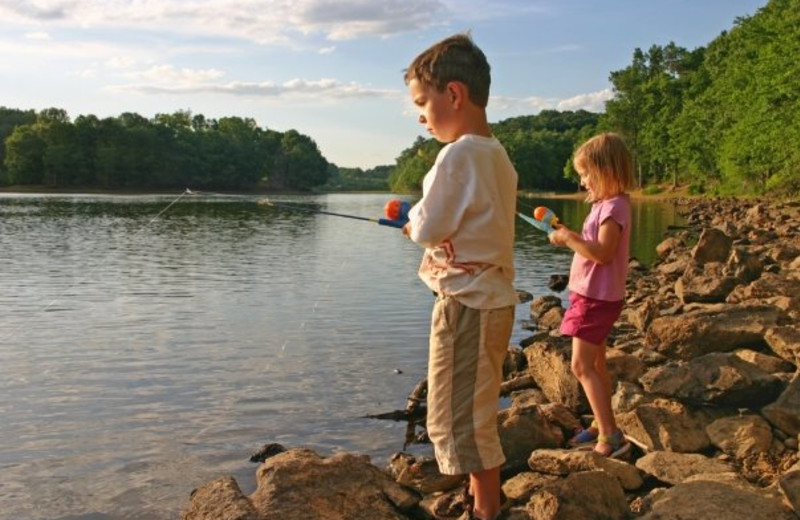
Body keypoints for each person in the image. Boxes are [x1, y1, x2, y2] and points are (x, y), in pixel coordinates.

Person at [401, 33, 518, 520]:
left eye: (423, 103)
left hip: (467, 303)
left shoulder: (457, 155)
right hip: (494, 297)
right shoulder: (497, 154)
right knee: (475, 402)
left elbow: (429, 227)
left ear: (455, 94)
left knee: (457, 414)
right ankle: (479, 496)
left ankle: (487, 509)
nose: (421, 116)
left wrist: (411, 224)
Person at [547, 132, 635, 458]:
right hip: (593, 295)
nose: (583, 181)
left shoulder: (613, 208)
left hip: (595, 299)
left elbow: (603, 253)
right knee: (597, 363)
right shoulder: (607, 205)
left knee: (581, 366)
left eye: (586, 174)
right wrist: (567, 235)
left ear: (607, 170)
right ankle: (601, 423)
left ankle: (611, 436)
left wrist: (568, 237)